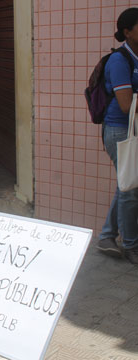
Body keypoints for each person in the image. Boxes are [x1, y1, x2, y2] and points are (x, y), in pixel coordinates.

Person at [96, 7, 138, 264]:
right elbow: (125, 104)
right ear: (127, 32)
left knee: (126, 184)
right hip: (118, 130)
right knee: (130, 188)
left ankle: (107, 236)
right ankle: (131, 245)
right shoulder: (119, 61)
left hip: (132, 129)